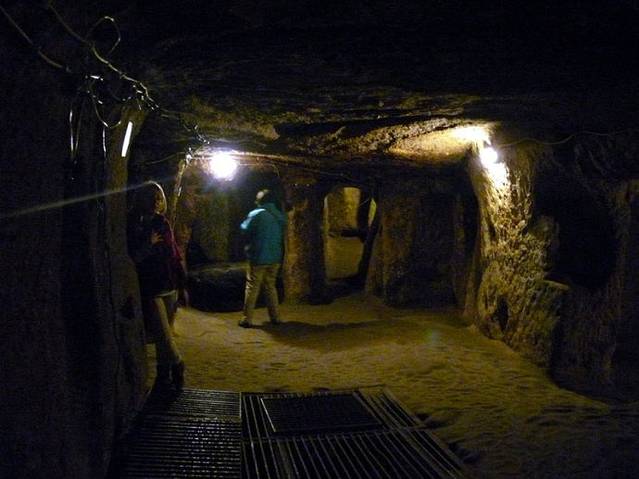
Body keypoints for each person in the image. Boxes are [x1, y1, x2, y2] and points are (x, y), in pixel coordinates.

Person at [128, 181, 187, 391]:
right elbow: (134, 257)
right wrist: (149, 243)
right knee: (163, 334)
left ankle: (163, 378)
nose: (156, 202)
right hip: (152, 288)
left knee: (164, 337)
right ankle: (178, 363)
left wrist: (182, 284)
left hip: (168, 285)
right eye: (152, 198)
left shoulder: (162, 223)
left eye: (159, 199)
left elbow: (174, 254)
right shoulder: (134, 224)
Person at [239, 189, 287, 328]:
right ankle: (275, 317)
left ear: (261, 201)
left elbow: (243, 229)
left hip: (258, 256)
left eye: (257, 198)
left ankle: (246, 319)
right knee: (270, 286)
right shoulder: (279, 216)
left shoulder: (256, 214)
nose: (255, 201)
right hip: (275, 256)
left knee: (252, 287)